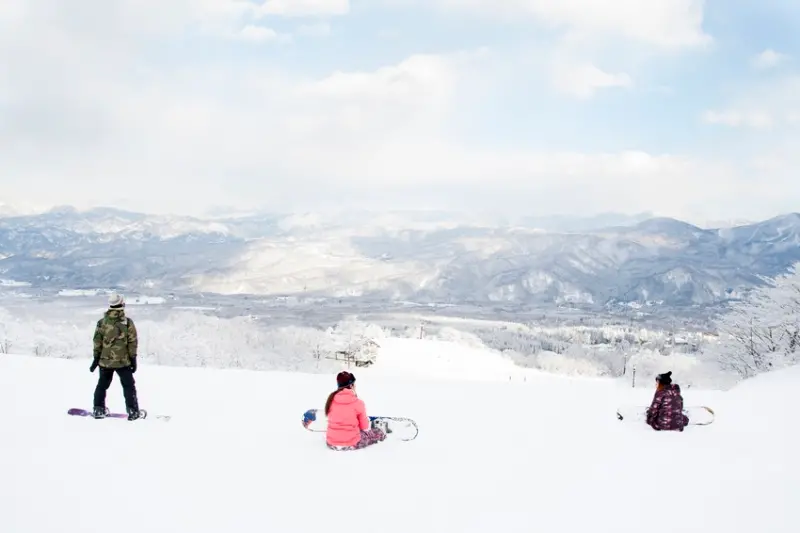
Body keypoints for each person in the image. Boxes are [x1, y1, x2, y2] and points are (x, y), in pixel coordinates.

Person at [90, 292, 143, 420]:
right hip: (123, 362)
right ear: (122, 304)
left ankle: (98, 409)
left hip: (105, 362)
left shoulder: (102, 323)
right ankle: (133, 411)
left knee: (102, 386)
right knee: (129, 387)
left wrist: (96, 358)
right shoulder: (127, 323)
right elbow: (132, 342)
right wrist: (133, 359)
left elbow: (97, 341)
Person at [325, 371, 387, 450]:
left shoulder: (331, 400)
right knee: (378, 433)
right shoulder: (358, 403)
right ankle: (382, 431)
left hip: (331, 444)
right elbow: (364, 427)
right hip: (351, 444)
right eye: (354, 384)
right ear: (351, 385)